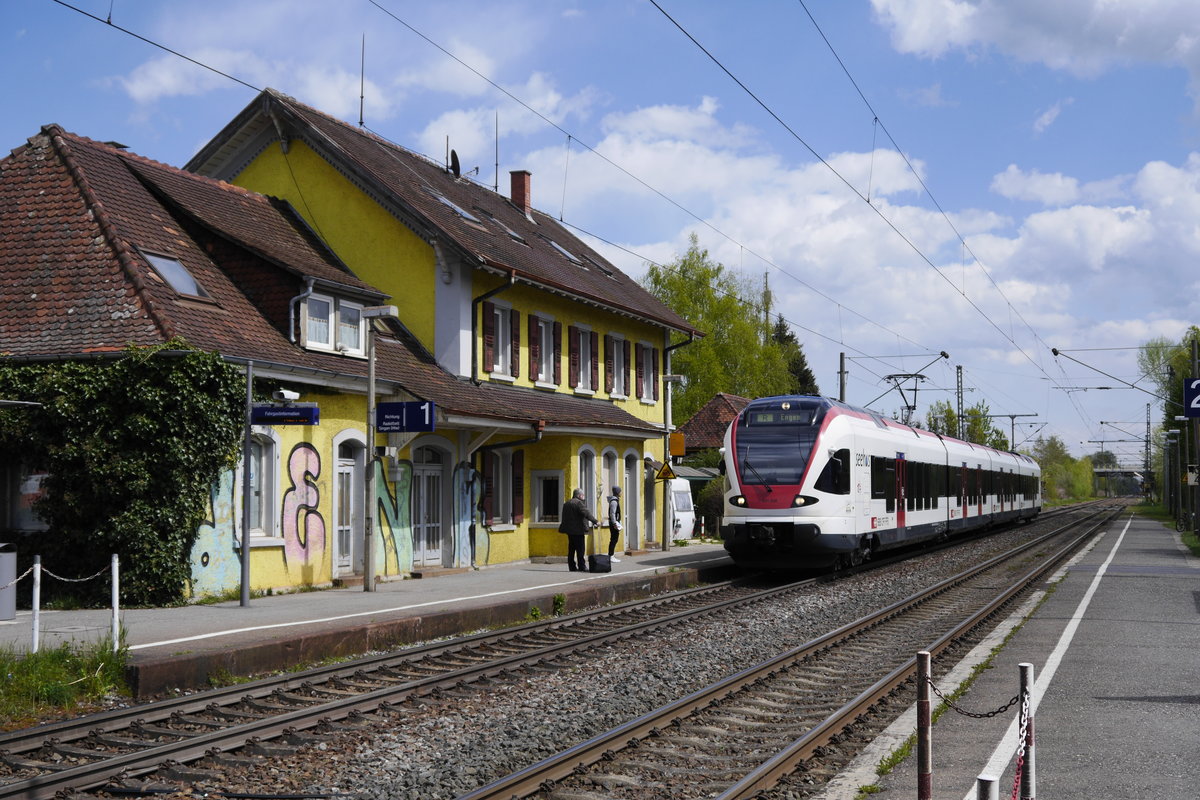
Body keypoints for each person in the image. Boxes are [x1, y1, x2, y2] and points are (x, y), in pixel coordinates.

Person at [559, 488, 598, 572]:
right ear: (579, 495)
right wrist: (595, 521)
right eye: (583, 495)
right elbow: (586, 513)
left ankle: (572, 567)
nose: (584, 496)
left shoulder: (567, 503)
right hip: (578, 530)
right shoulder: (579, 503)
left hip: (569, 530)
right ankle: (582, 566)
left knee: (571, 549)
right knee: (580, 549)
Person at [606, 486, 623, 562]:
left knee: (614, 539)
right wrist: (615, 523)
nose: (621, 492)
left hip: (615, 523)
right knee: (613, 539)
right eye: (620, 491)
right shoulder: (614, 502)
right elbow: (612, 513)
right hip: (614, 524)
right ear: (617, 492)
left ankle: (611, 555)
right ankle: (611, 556)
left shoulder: (615, 500)